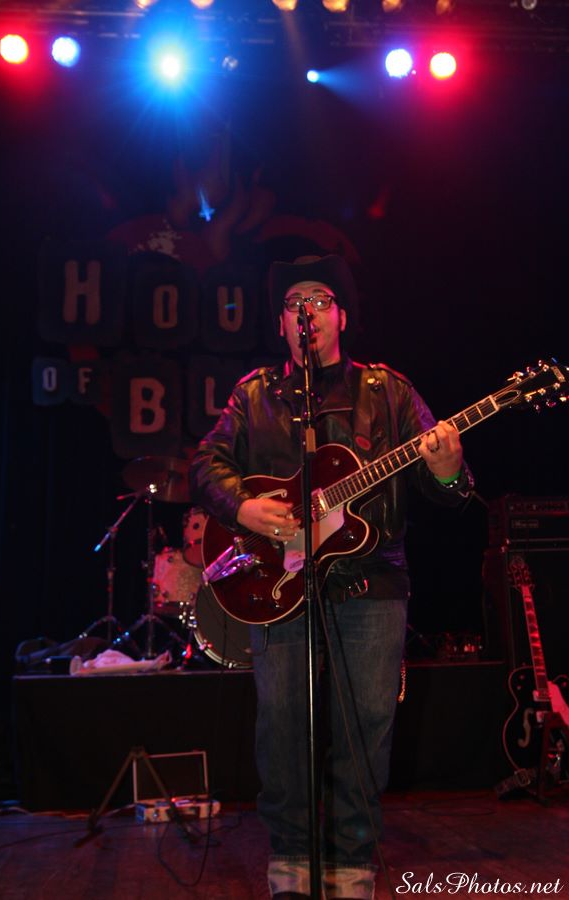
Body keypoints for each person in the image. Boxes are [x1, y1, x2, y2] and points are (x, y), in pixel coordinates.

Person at [189, 255, 474, 900]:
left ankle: (352, 870)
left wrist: (448, 470)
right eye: (295, 302)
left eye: (320, 299)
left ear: (342, 316)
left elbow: (451, 493)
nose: (308, 312)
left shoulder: (388, 392)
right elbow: (206, 464)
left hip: (373, 585)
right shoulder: (254, 394)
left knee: (365, 733)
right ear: (281, 324)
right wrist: (242, 507)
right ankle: (291, 866)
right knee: (283, 731)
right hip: (280, 587)